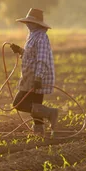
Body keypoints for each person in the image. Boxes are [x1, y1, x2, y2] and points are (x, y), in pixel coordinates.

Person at [9, 8, 58, 137]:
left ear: (37, 24)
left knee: (18, 103)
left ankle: (50, 113)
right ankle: (39, 133)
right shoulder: (32, 35)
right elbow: (31, 56)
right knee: (36, 104)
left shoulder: (41, 37)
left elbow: (41, 59)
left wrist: (38, 78)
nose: (28, 25)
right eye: (27, 22)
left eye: (30, 22)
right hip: (30, 75)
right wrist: (20, 50)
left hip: (35, 76)